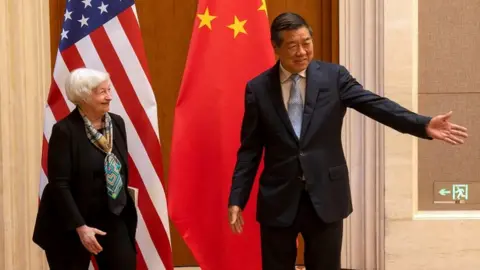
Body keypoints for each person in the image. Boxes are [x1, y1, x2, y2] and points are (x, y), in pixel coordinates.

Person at [228, 12, 468, 270]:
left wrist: (422, 123)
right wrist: (237, 198)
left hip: (326, 196)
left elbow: (376, 105)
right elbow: (250, 150)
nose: (302, 52)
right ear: (276, 47)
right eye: (292, 45)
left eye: (306, 42)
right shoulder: (258, 88)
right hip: (278, 198)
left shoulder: (334, 77)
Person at [33, 68, 138, 269]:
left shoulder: (117, 123)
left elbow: (122, 170)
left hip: (112, 216)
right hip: (71, 221)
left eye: (109, 90)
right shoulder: (65, 131)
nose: (110, 97)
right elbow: (59, 185)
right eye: (102, 92)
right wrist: (80, 227)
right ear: (84, 97)